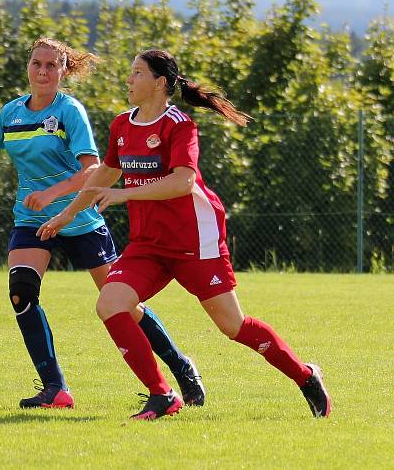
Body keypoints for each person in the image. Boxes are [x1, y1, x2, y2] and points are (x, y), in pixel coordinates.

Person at [38, 48, 331, 420]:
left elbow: (183, 181)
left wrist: (124, 193)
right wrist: (66, 214)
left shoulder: (179, 126)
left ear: (160, 83)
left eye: (137, 73)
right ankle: (162, 394)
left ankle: (306, 377)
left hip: (195, 242)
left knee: (232, 326)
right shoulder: (122, 125)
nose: (129, 79)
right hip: (148, 244)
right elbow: (103, 177)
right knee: (110, 304)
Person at [0, 38, 205, 409]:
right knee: (21, 292)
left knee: (122, 304)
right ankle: (55, 388)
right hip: (31, 220)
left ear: (63, 70)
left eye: (51, 66)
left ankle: (180, 366)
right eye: (36, 64)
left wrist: (53, 195)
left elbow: (92, 169)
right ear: (28, 68)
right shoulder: (11, 113)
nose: (42, 72)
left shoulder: (69, 111)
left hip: (80, 219)